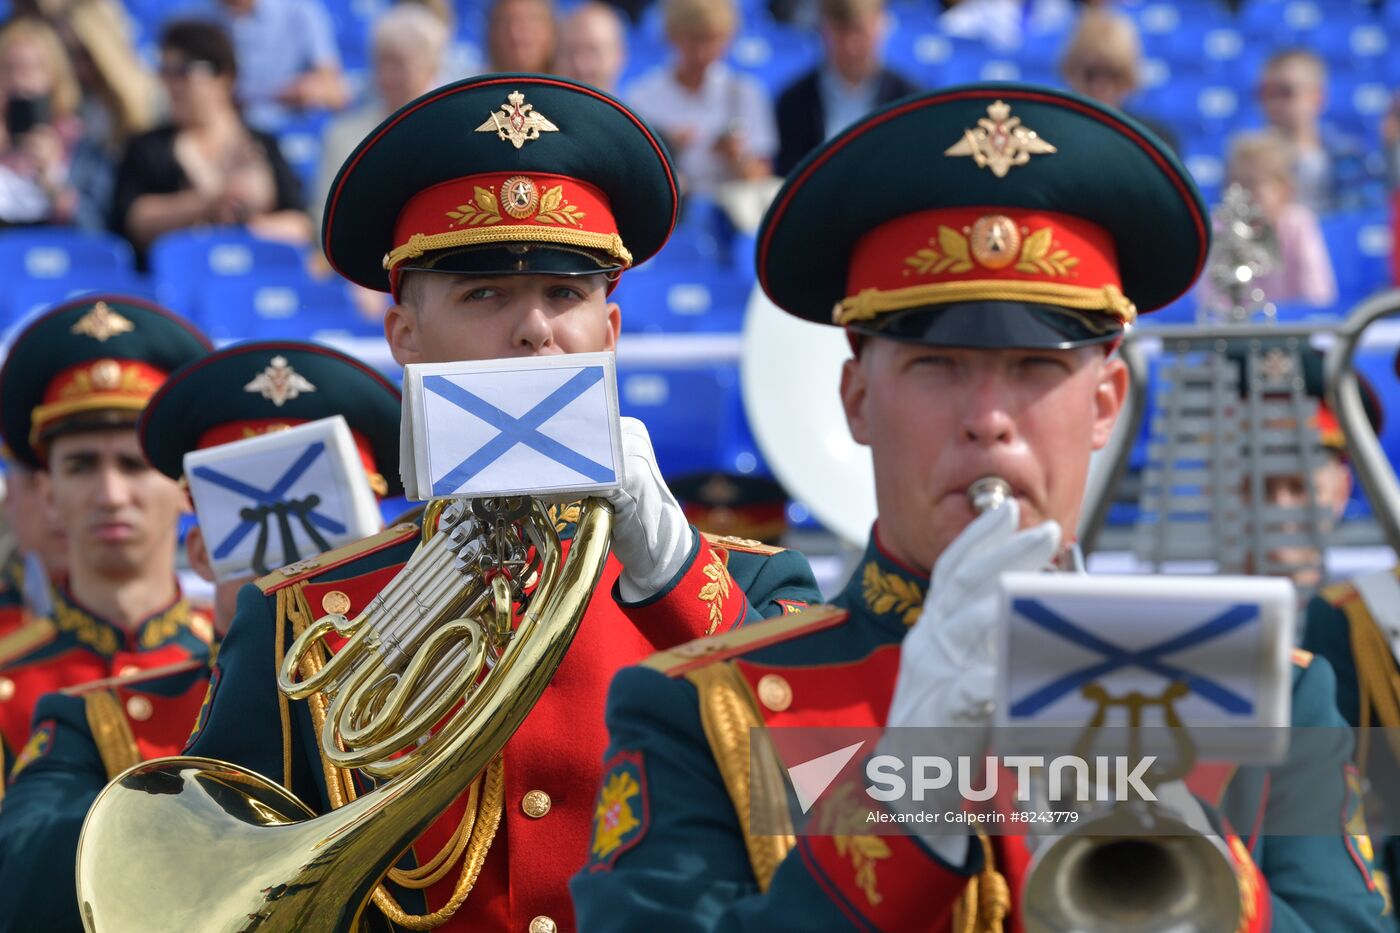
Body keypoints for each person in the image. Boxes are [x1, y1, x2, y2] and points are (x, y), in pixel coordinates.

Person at [571, 83, 1391, 930]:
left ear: (1108, 402)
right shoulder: (703, 706)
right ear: (856, 398)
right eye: (938, 365)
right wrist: (900, 803)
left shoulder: (1272, 694)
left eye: (1037, 369)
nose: (989, 418)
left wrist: (1188, 844)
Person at [180, 74, 821, 932]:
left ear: (612, 333)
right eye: (484, 294)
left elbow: (840, 819)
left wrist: (678, 578)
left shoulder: (755, 584)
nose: (534, 330)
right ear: (404, 337)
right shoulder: (300, 617)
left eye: (567, 294)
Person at [0, 339, 404, 933]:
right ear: (202, 555)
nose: (295, 580)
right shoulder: (88, 719)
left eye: (327, 545)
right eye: (256, 541)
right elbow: (23, 880)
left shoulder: (440, 698)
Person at [0, 295, 212, 764]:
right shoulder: (8, 678)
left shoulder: (244, 665)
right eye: (81, 466)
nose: (111, 495)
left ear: (185, 488)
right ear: (48, 492)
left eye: (134, 465)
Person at [1302, 342, 1400, 909]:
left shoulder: (1359, 617)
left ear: (1343, 483)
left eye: (1302, 475)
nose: (1281, 500)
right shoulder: (1351, 619)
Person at [110, 19, 312, 267]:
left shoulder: (262, 143)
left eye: (183, 71)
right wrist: (208, 202)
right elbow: (134, 220)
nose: (170, 84)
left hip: (253, 273)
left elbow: (300, 225)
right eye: (165, 71)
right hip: (178, 277)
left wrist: (243, 228)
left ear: (223, 77)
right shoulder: (148, 146)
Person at [310, 3, 448, 229]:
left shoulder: (452, 133)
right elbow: (323, 216)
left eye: (401, 64)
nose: (389, 77)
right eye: (383, 62)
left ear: (431, 67)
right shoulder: (342, 135)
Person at [623, 0, 776, 198]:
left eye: (711, 40)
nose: (702, 53)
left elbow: (761, 179)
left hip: (726, 219)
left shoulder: (745, 93)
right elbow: (633, 177)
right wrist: (665, 147)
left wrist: (736, 156)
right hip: (671, 215)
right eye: (693, 40)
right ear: (673, 36)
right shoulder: (641, 96)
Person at [773, 0, 915, 177]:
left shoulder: (909, 97)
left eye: (860, 31)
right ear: (824, 30)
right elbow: (790, 176)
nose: (851, 46)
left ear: (881, 25)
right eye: (842, 32)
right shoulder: (793, 101)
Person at [178, 0, 348, 130]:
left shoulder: (299, 10)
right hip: (226, 131)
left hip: (291, 128)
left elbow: (334, 91)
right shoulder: (197, 20)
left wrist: (305, 90)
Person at [1256, 48, 1386, 216]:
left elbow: (1364, 219)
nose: (1275, 102)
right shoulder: (1247, 163)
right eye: (1267, 93)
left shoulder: (1350, 157)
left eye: (1286, 92)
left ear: (1316, 96)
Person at [1220, 130, 1337, 308]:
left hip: (1294, 332)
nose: (1242, 193)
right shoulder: (1218, 228)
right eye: (1235, 182)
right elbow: (1213, 306)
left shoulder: (1299, 224)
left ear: (1285, 189)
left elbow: (1317, 297)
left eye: (1253, 183)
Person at [0, 17, 85, 225]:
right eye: (10, 69)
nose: (20, 81)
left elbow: (93, 227)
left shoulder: (81, 144)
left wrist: (50, 177)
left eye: (31, 69)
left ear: (54, 76)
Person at [1058, 7, 1175, 153]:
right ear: (1071, 72)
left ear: (1129, 79)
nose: (1101, 87)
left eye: (1114, 75)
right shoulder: (1051, 136)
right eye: (1091, 74)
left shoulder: (1156, 144)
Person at [555, 2, 627, 95]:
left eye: (592, 51)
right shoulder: (538, 107)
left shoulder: (638, 109)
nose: (581, 65)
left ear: (619, 55)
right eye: (570, 52)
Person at [485, 0, 556, 73]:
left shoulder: (567, 79)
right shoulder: (475, 80)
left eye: (531, 19)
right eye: (506, 22)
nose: (515, 31)